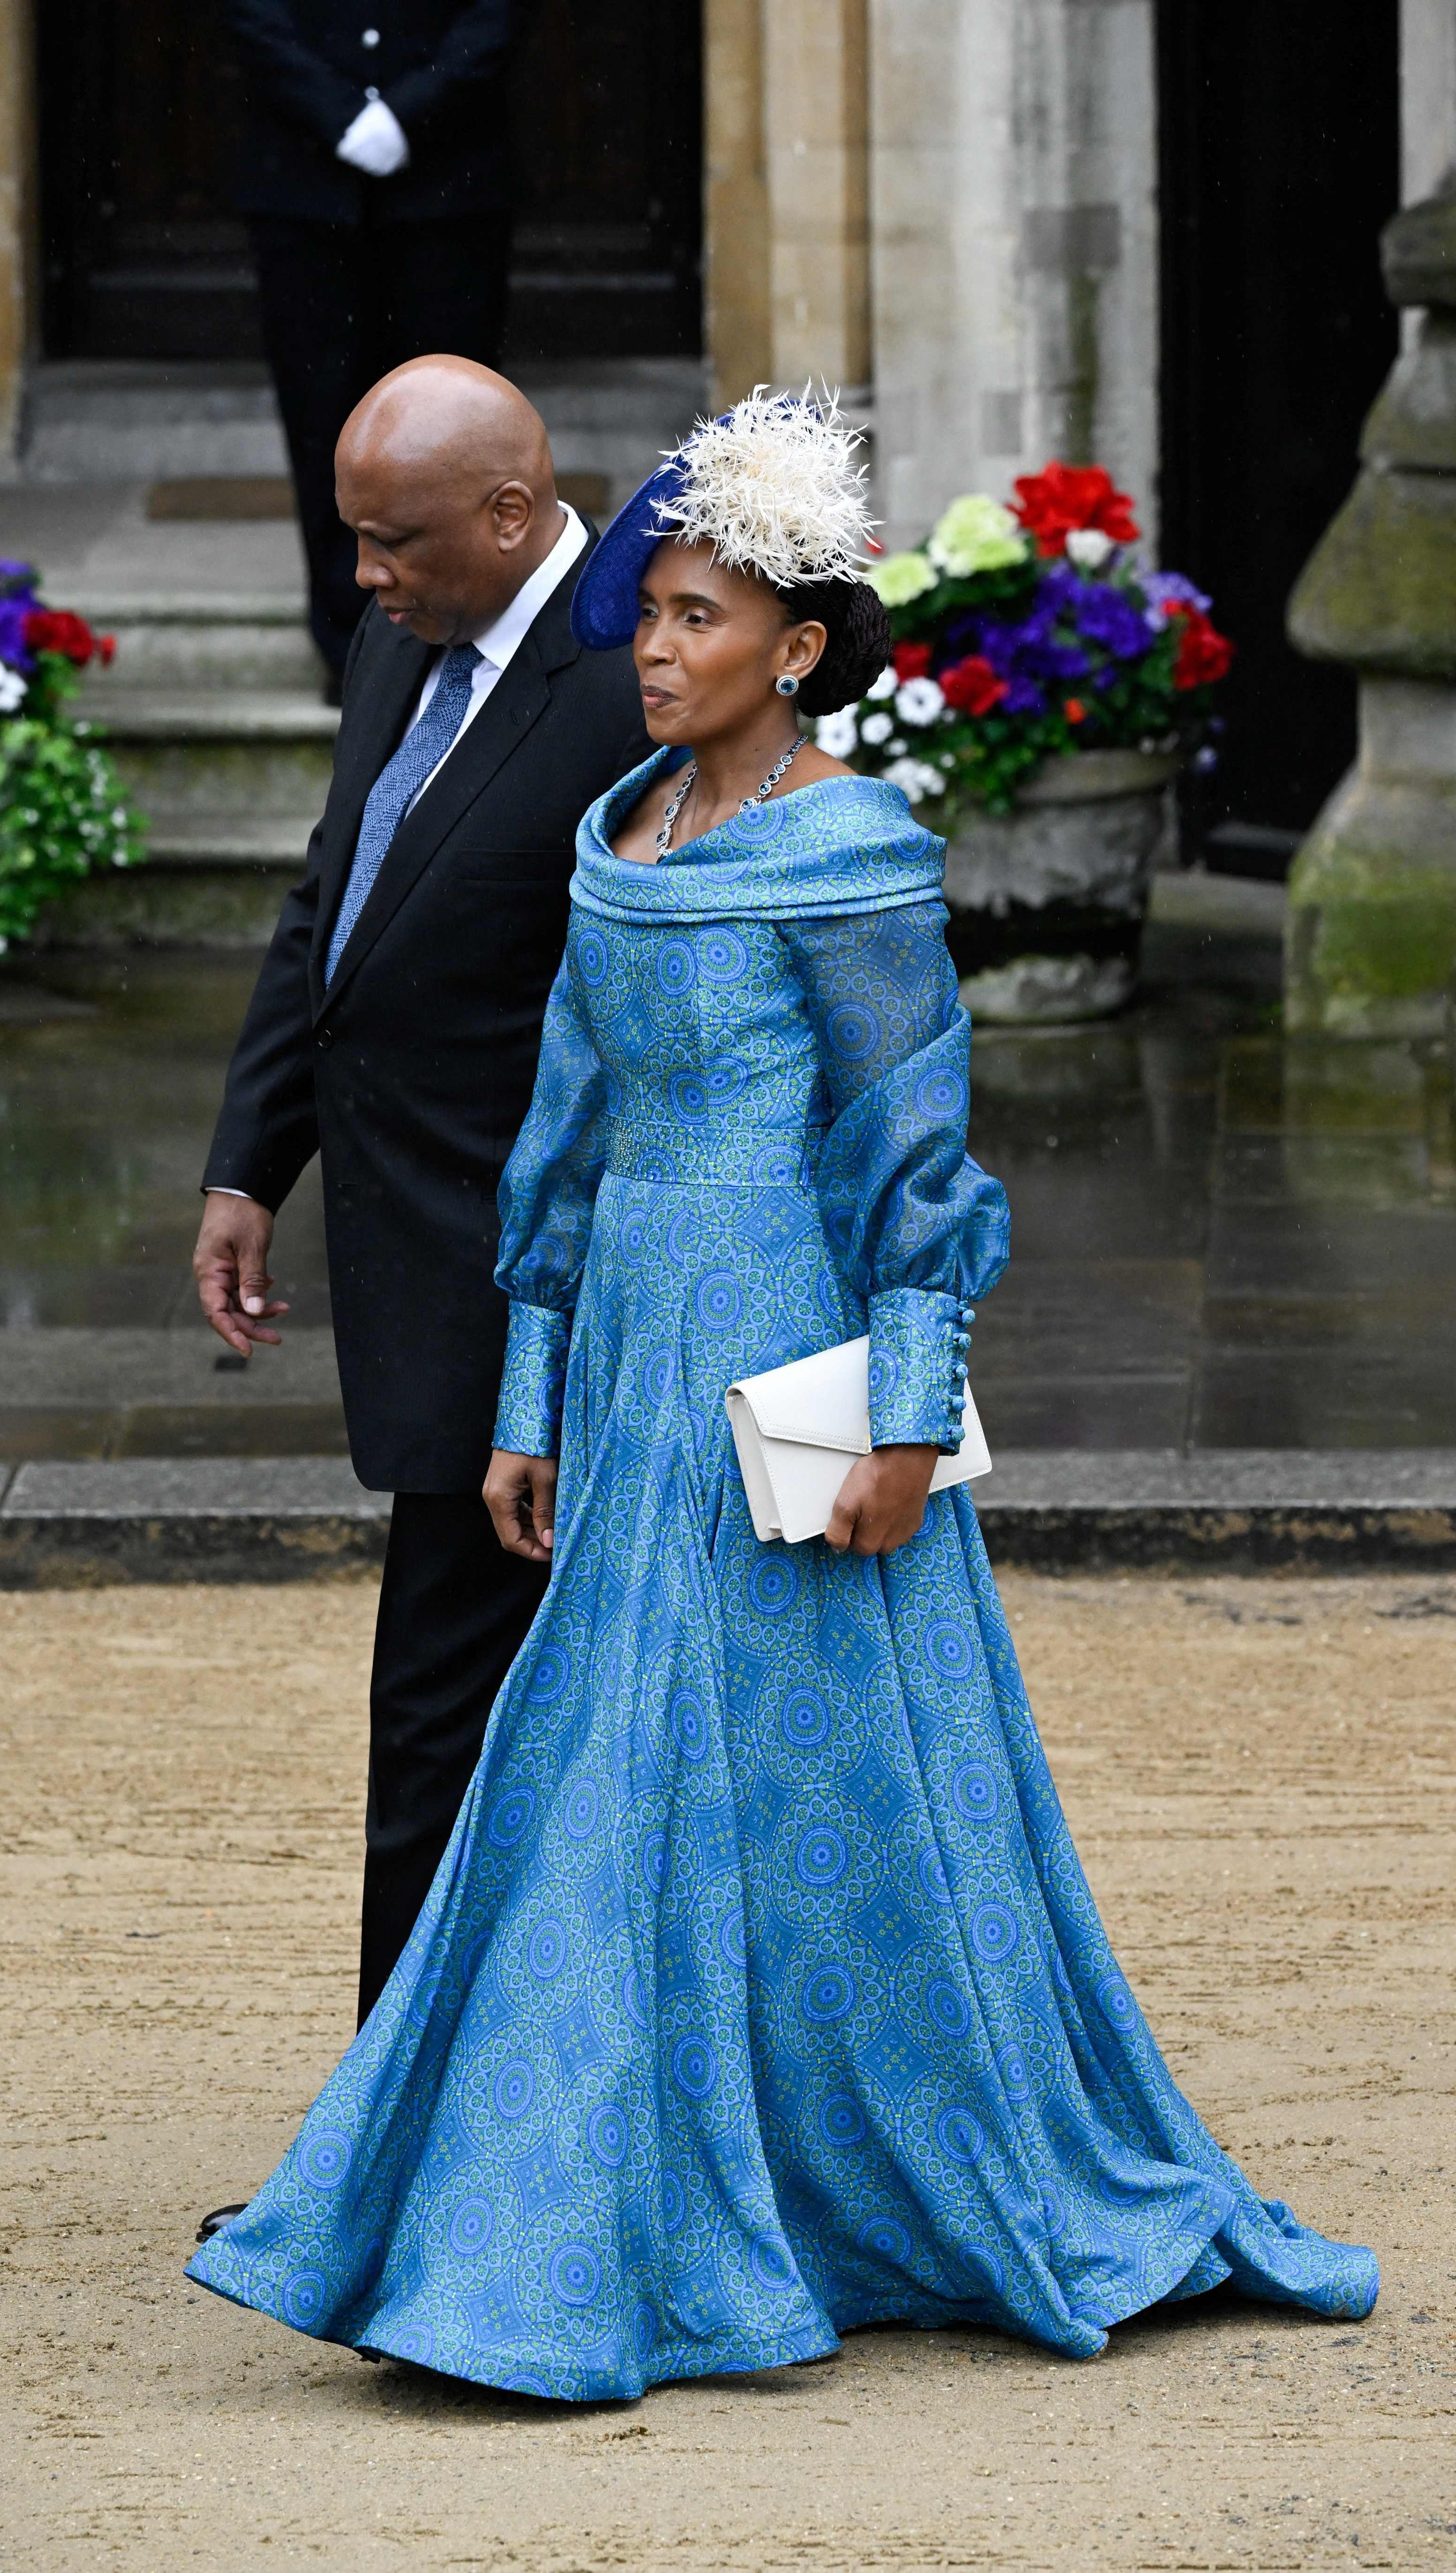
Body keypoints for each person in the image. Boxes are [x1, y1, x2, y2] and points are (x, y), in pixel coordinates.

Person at [187, 394, 1376, 2397]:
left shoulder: (855, 856)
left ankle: (845, 2179)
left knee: (831, 1773)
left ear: (794, 646)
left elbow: (915, 1166)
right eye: (643, 611)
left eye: (694, 617)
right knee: (595, 1762)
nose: (649, 649)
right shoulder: (612, 834)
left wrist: (906, 1418)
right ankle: (551, 2190)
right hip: (634, 1347)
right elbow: (558, 1149)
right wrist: (526, 1394)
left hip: (793, 1357)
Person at [191, 356, 650, 2095]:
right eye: (352, 543)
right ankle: (435, 2125)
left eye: (390, 544)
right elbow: (337, 900)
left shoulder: (635, 685)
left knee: (451, 1724)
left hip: (557, 1300)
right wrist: (253, 1165)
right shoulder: (404, 633)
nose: (362, 580)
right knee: (449, 1725)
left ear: (512, 517)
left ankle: (406, 2148)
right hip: (418, 1268)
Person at [225, 0, 516, 686]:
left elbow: (492, 19)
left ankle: (455, 633)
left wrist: (406, 113)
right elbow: (257, 18)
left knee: (452, 432)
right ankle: (352, 653)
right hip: (305, 186)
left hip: (448, 187)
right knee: (322, 418)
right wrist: (339, 114)